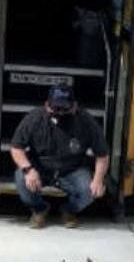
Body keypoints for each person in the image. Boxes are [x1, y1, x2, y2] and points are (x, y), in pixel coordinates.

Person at [9, 85, 110, 229]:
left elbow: (102, 155)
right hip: (40, 167)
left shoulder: (86, 121)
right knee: (21, 178)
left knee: (89, 191)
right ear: (47, 105)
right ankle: (39, 209)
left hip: (72, 169)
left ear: (74, 106)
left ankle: (69, 211)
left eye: (65, 108)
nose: (60, 113)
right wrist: (28, 170)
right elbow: (16, 148)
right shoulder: (34, 118)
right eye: (56, 108)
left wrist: (98, 180)